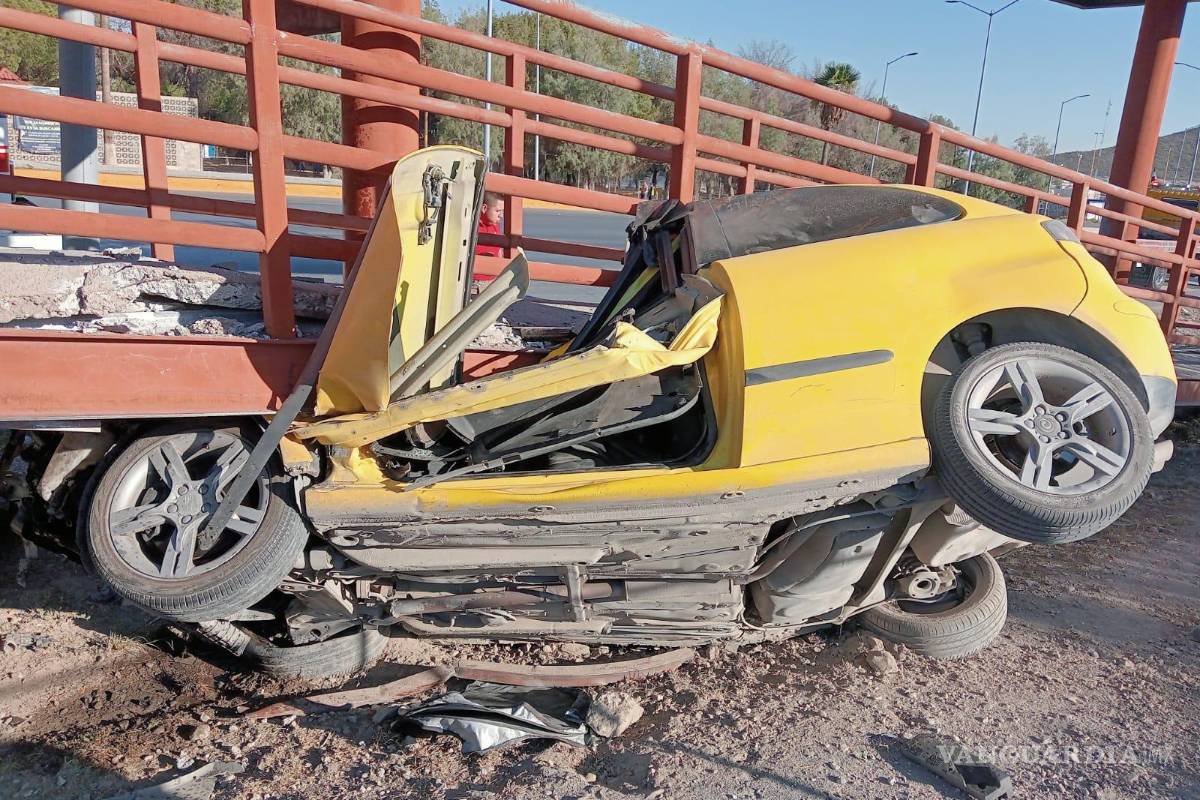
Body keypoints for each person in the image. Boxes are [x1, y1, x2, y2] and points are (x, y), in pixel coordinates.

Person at [475, 191, 504, 258]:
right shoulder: (473, 228)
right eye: (497, 211)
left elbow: (499, 251)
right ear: (484, 208)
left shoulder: (495, 226)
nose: (501, 216)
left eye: (502, 211)